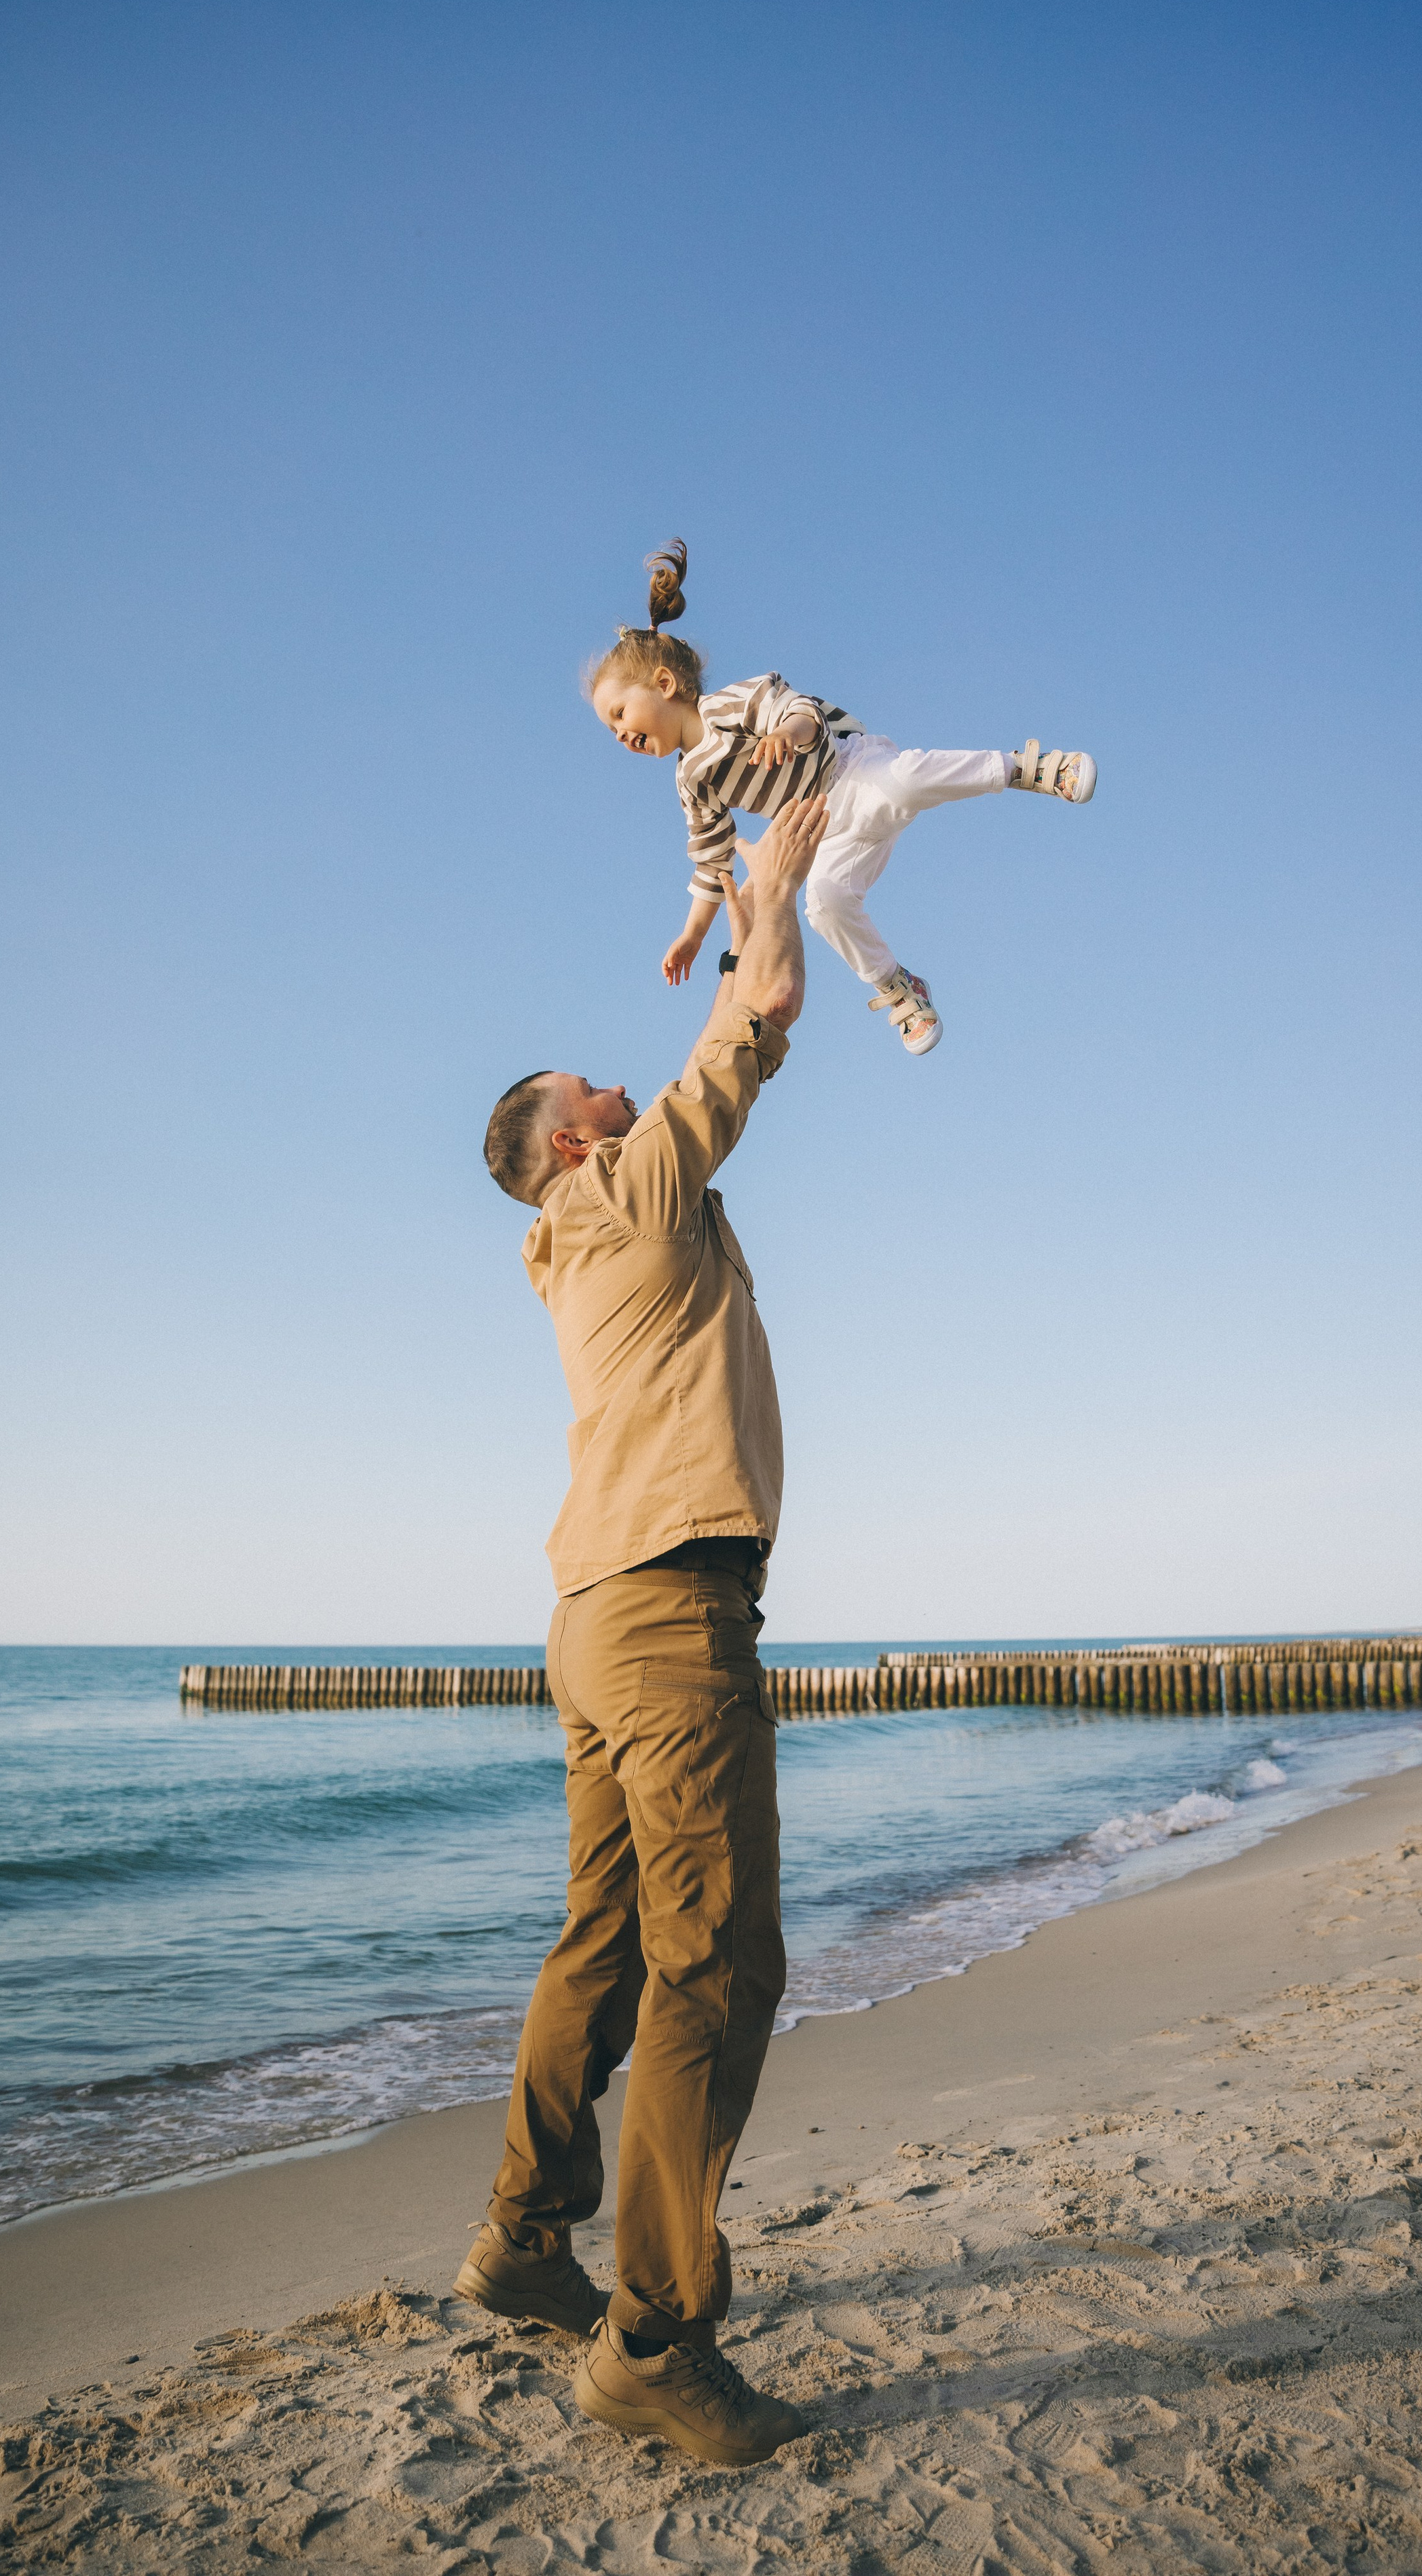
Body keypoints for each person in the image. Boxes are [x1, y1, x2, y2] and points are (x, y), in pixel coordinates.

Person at [459, 792, 829, 2469]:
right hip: (673, 1614)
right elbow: (744, 1028)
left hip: (587, 1619)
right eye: (592, 1089)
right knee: (715, 1964)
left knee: (600, 1944)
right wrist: (775, 874)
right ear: (567, 1142)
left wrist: (755, 913)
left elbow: (734, 1033)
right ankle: (656, 2339)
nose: (619, 1084)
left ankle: (524, 2237)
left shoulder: (573, 1248)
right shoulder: (635, 1197)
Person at [586, 538, 1096, 1055]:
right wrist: (693, 935)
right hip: (822, 826)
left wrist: (788, 733)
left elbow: (799, 709)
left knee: (903, 782)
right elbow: (711, 860)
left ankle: (1025, 768)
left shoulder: (728, 706)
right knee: (823, 903)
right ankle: (897, 986)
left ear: (665, 683)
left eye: (621, 715)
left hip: (849, 770)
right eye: (611, 730)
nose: (620, 735)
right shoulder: (690, 781)